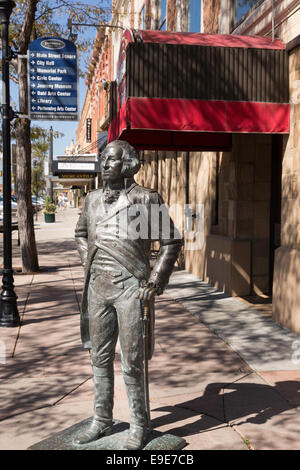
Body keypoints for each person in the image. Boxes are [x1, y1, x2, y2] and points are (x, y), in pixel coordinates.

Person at [74, 140, 182, 449]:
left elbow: (171, 242)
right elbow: (81, 234)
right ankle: (101, 419)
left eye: (112, 160)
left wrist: (154, 282)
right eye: (103, 159)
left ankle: (139, 424)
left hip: (131, 290)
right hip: (97, 287)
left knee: (133, 361)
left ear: (128, 165)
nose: (105, 164)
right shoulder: (91, 200)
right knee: (99, 356)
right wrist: (88, 262)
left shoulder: (145, 200)